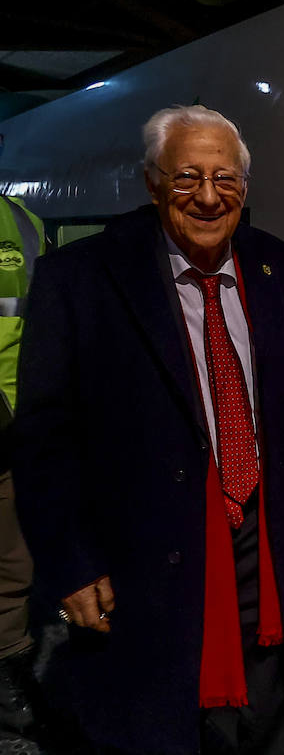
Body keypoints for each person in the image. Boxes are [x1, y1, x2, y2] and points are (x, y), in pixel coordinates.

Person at [9, 104, 284, 755]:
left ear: (244, 187)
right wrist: (70, 562)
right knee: (168, 725)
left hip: (265, 543)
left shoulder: (275, 264)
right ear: (153, 183)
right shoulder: (83, 277)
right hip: (147, 559)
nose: (208, 196)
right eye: (187, 177)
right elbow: (45, 437)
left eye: (224, 177)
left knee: (274, 721)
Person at [0, 196, 45, 745]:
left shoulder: (21, 222)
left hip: (12, 426)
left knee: (13, 566)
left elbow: (42, 322)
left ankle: (9, 689)